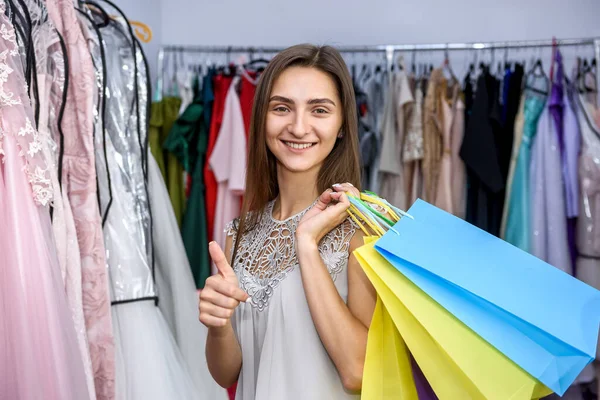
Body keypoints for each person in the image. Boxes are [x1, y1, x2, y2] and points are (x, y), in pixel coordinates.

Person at [198, 44, 376, 400]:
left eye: (319, 110)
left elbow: (359, 372)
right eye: (281, 108)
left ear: (342, 125)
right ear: (261, 118)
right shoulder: (240, 234)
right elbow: (228, 373)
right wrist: (218, 326)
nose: (298, 127)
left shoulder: (361, 233)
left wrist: (307, 245)